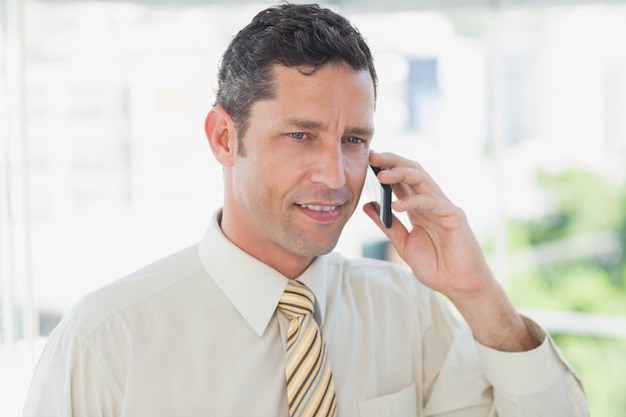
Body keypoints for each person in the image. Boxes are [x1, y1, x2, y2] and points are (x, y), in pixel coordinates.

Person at [24, 3, 589, 416]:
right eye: (300, 135)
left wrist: (477, 292)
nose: (335, 175)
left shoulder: (412, 315)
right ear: (224, 138)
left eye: (353, 140)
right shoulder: (104, 341)